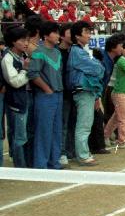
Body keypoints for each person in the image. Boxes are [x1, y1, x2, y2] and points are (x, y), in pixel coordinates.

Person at [67, 21, 105, 166]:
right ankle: (82, 155)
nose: (89, 35)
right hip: (83, 90)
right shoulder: (77, 52)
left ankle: (84, 152)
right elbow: (97, 69)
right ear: (77, 35)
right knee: (84, 124)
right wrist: (97, 66)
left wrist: (97, 66)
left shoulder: (82, 51)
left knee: (85, 123)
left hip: (87, 90)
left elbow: (97, 68)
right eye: (86, 32)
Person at [28, 21, 65, 169]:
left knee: (56, 130)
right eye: (55, 33)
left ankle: (54, 162)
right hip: (45, 96)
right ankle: (41, 164)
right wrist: (47, 89)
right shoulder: (39, 52)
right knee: (44, 131)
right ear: (45, 35)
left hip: (58, 94)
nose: (58, 36)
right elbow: (33, 73)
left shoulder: (57, 52)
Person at [3, 26, 31, 167]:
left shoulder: (22, 56)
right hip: (15, 102)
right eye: (22, 40)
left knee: (19, 133)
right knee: (19, 136)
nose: (26, 43)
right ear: (13, 42)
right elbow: (14, 82)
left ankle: (20, 162)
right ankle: (20, 166)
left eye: (27, 40)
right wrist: (25, 70)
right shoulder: (8, 59)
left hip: (23, 100)